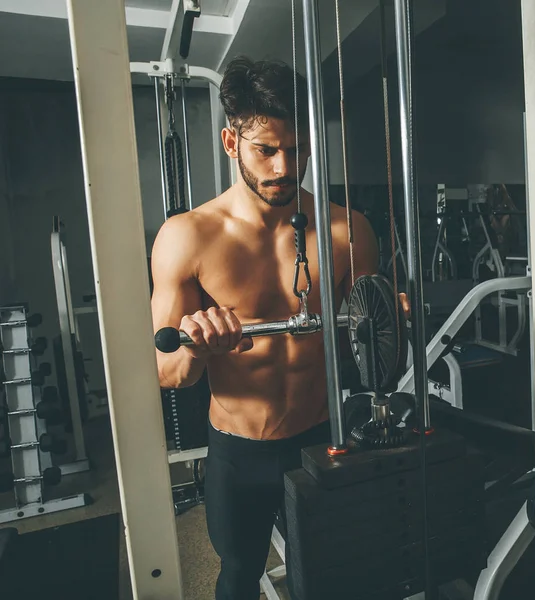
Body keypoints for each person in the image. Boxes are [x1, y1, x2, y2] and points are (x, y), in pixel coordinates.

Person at [151, 56, 379, 600]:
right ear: (232, 143)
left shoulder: (348, 230)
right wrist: (200, 347)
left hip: (322, 435)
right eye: (267, 150)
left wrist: (391, 316)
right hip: (239, 450)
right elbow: (169, 373)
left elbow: (374, 339)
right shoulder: (188, 237)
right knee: (238, 576)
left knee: (331, 573)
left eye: (298, 151)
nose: (283, 167)